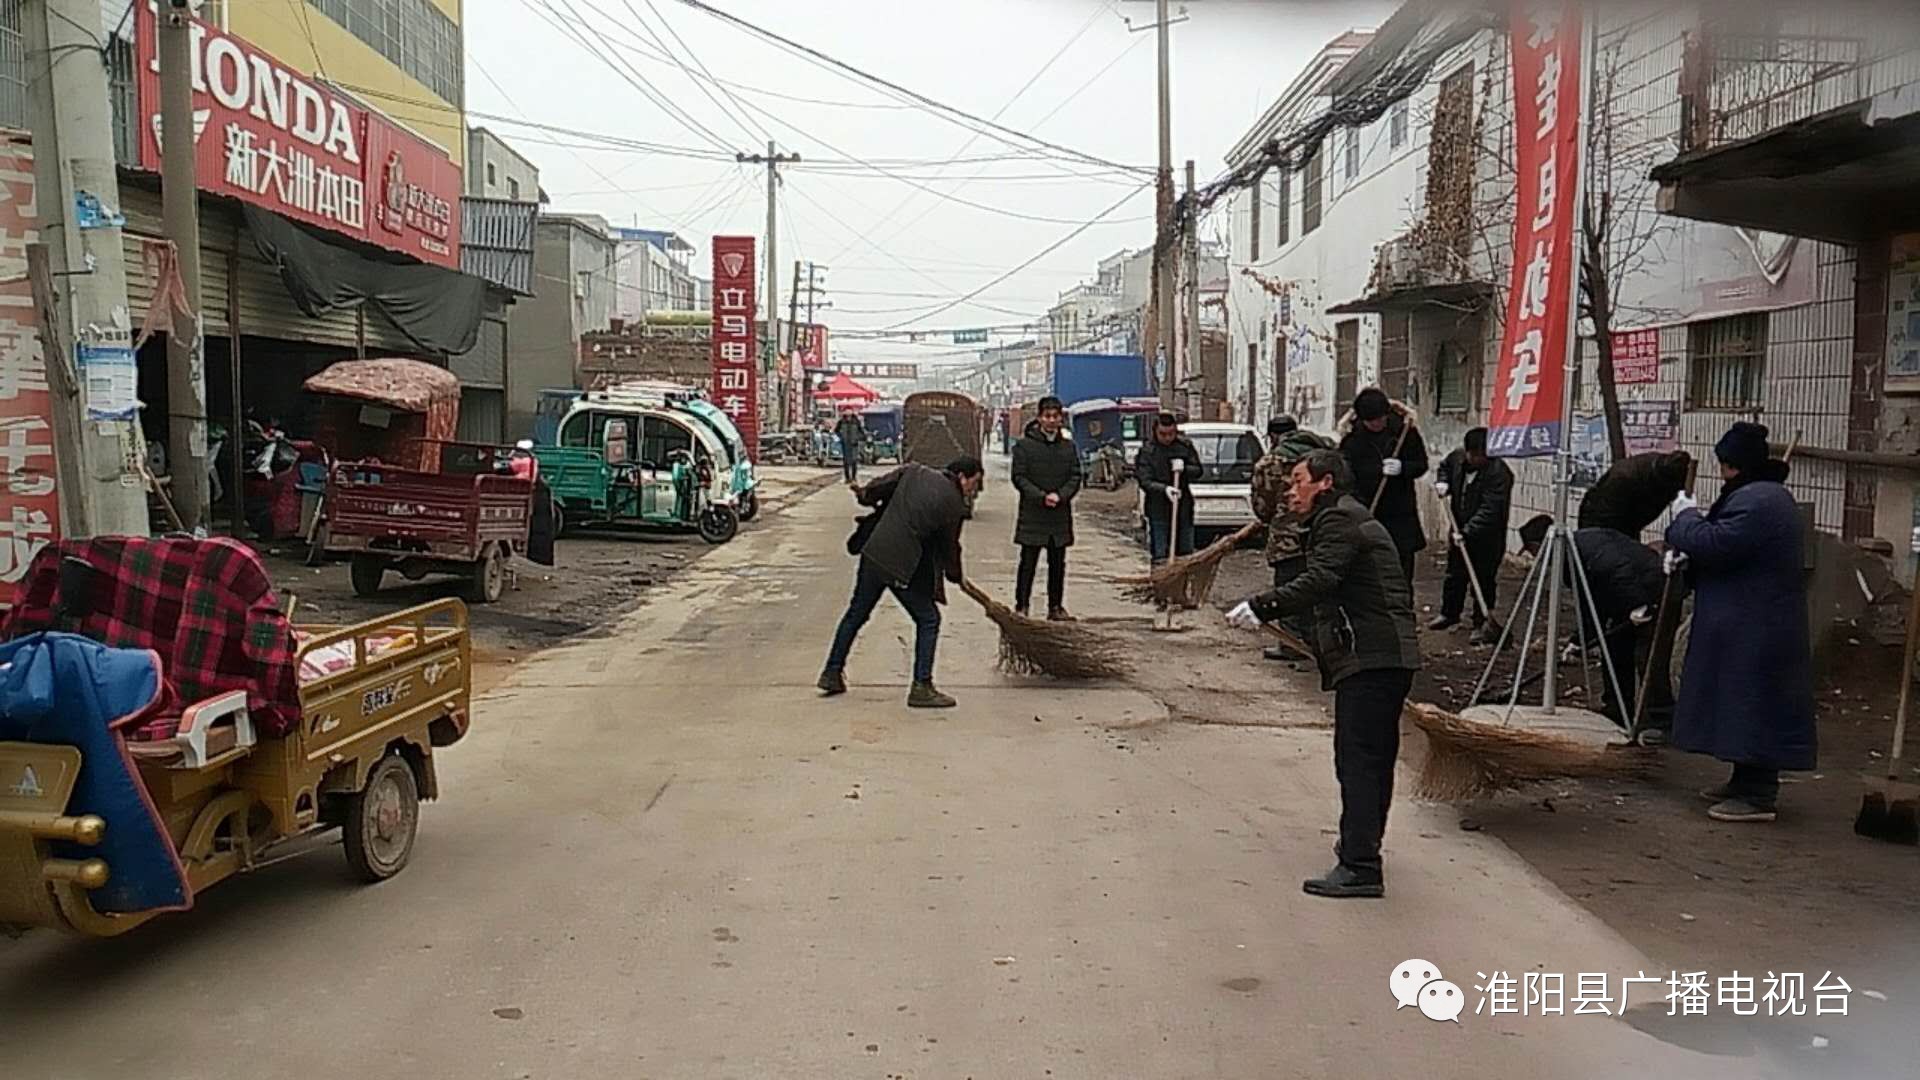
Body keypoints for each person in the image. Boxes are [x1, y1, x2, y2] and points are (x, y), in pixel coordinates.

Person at [1226, 449, 1420, 899]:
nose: (1292, 491)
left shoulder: (1338, 522)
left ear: (1325, 483)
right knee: (1370, 760)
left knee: (1359, 761)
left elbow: (1322, 580)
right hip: (1382, 657)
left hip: (1372, 659)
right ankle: (1360, 845)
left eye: (1298, 481)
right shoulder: (1345, 518)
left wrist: (1263, 604)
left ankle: (1360, 866)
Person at [1664, 422, 1815, 823]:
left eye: (1725, 466)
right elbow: (1721, 549)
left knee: (1753, 703)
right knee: (1740, 703)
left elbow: (1717, 542)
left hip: (1757, 625)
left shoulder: (1760, 501)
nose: (1721, 474)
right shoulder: (1760, 495)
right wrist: (1687, 556)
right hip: (1749, 620)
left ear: (1736, 465)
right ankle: (1744, 779)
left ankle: (1758, 794)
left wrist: (1684, 520)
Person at [819, 457, 986, 709]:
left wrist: (863, 494)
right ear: (962, 476)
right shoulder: (953, 504)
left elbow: (875, 489)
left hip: (874, 552)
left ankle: (832, 672)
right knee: (929, 619)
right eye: (973, 484)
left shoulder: (913, 471)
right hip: (901, 564)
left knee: (856, 613)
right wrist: (955, 574)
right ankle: (922, 686)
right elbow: (949, 546)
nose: (973, 490)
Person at [1518, 515, 1673, 734]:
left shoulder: (1583, 549)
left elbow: (1619, 568)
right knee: (1614, 650)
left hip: (1653, 589)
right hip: (1625, 596)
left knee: (1648, 657)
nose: (1535, 558)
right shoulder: (1571, 553)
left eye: (1533, 551)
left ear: (1538, 545)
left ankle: (1661, 721)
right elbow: (1588, 600)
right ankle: (1617, 710)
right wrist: (1579, 640)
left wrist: (1639, 605)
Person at [1250, 415, 1334, 660]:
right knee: (1319, 587)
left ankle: (1292, 644)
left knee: (1288, 589)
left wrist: (1270, 519)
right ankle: (1322, 642)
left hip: (1287, 539)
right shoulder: (1325, 455)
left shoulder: (1270, 463)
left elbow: (1262, 505)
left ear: (1273, 436)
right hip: (1324, 533)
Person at [1430, 427, 1514, 645]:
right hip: (1458, 528)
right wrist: (1443, 482)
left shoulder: (1499, 473)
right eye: (1476, 454)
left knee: (1484, 578)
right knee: (1454, 575)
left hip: (1487, 538)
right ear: (1468, 452)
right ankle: (1449, 613)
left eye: (1485, 454)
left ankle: (1481, 622)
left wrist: (1467, 532)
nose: (1480, 458)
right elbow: (1444, 468)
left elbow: (1491, 509)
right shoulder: (1456, 459)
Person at [1339, 388, 1429, 584]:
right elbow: (1345, 477)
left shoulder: (1404, 432)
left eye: (1381, 418)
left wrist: (1403, 468)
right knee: (1370, 573)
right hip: (1367, 513)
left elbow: (1421, 464)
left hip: (1401, 514)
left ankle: (1404, 610)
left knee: (1402, 573)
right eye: (1372, 421)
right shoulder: (1352, 441)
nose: (1377, 424)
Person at [1010, 396, 1083, 620]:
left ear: (1061, 418)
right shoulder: (1024, 446)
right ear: (1039, 418)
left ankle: (1055, 607)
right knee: (1028, 562)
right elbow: (1019, 478)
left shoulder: (1068, 447)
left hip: (1059, 514)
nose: (1051, 421)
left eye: (1055, 416)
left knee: (1057, 563)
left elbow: (1075, 475)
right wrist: (1042, 497)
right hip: (1033, 513)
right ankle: (1022, 606)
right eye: (1047, 416)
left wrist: (1061, 496)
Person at [1134, 411, 1202, 565]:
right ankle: (1161, 586)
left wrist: (1185, 468)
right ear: (1155, 431)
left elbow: (1198, 471)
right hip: (1158, 511)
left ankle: (1181, 587)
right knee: (1161, 555)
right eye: (1163, 434)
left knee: (1185, 555)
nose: (1167, 438)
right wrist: (1164, 489)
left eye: (1171, 434)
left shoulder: (1184, 447)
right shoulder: (1148, 451)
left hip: (1183, 509)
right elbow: (1144, 480)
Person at [1577, 450, 1694, 535]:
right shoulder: (1625, 478)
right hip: (1601, 525)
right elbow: (1610, 519)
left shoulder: (1660, 468)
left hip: (1622, 522)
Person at [834, 411, 866, 485]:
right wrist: (841, 437)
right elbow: (836, 431)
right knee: (846, 462)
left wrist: (857, 438)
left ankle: (854, 478)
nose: (848, 412)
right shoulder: (841, 421)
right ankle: (847, 478)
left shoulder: (856, 421)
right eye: (846, 410)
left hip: (854, 444)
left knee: (854, 461)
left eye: (849, 410)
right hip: (845, 444)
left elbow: (862, 432)